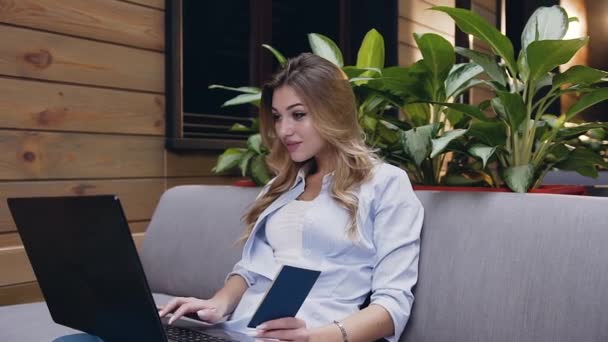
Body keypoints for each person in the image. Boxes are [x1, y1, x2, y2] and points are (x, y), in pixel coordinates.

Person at [159, 53, 424, 342]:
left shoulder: (384, 183)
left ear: (333, 112)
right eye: (277, 117)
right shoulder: (280, 186)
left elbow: (392, 305)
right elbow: (251, 269)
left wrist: (314, 338)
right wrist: (217, 303)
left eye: (298, 114)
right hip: (239, 333)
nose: (284, 130)